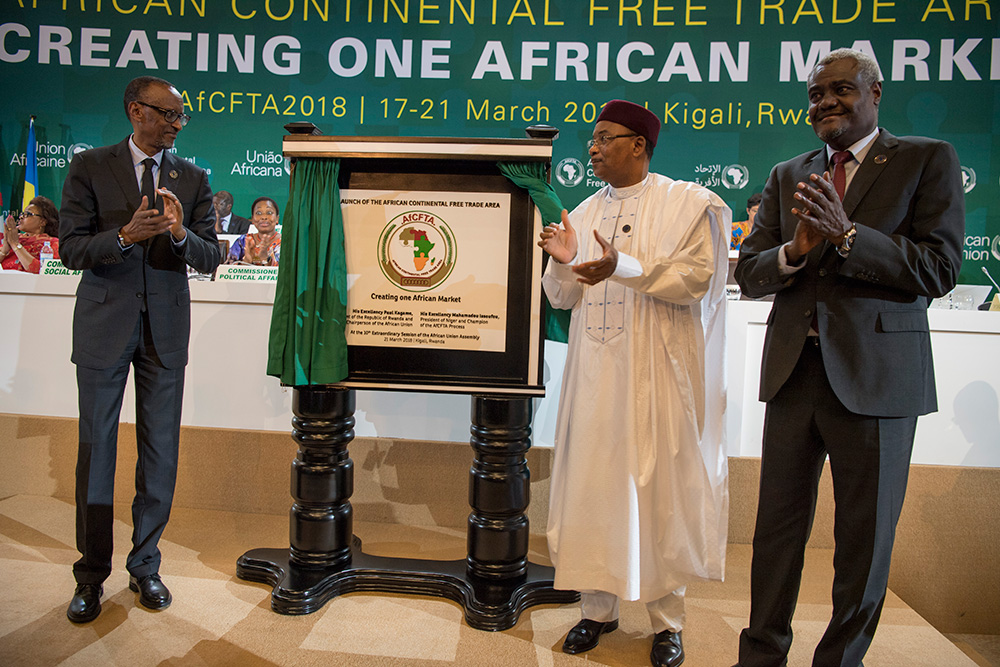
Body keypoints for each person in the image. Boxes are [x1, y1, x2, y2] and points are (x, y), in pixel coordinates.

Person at [733, 49, 964, 667]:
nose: (825, 104)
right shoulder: (789, 172)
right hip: (793, 376)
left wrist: (850, 236)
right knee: (776, 533)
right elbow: (752, 274)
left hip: (878, 382)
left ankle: (839, 661)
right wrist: (794, 250)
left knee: (863, 541)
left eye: (840, 90)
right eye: (815, 94)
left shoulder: (924, 158)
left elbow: (938, 269)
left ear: (875, 92)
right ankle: (760, 656)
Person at [538, 99, 730, 667]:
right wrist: (562, 261)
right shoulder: (584, 209)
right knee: (595, 487)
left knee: (660, 490)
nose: (591, 148)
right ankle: (596, 611)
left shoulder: (688, 203)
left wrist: (623, 265)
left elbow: (696, 280)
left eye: (603, 138)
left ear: (638, 144)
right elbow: (563, 297)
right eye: (591, 139)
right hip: (595, 378)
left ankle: (667, 623)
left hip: (658, 377)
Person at [59, 75, 221, 623]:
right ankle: (90, 575)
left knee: (160, 453)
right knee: (96, 449)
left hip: (166, 334)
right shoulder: (89, 167)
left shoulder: (193, 178)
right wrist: (126, 236)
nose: (176, 124)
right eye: (167, 114)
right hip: (104, 328)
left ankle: (146, 565)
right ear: (136, 111)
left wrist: (178, 233)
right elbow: (70, 249)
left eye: (181, 117)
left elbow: (211, 256)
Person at [1, 196, 61, 273]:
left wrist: (16, 245)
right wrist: (4, 251)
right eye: (22, 214)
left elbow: (41, 271)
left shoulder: (53, 244)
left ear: (42, 221)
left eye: (27, 214)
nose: (21, 217)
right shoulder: (14, 239)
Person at [227, 196, 280, 265]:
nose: (264, 217)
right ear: (252, 219)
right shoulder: (243, 241)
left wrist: (265, 259)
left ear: (277, 219)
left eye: (269, 213)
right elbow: (227, 270)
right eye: (258, 213)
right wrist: (247, 261)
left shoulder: (286, 243)